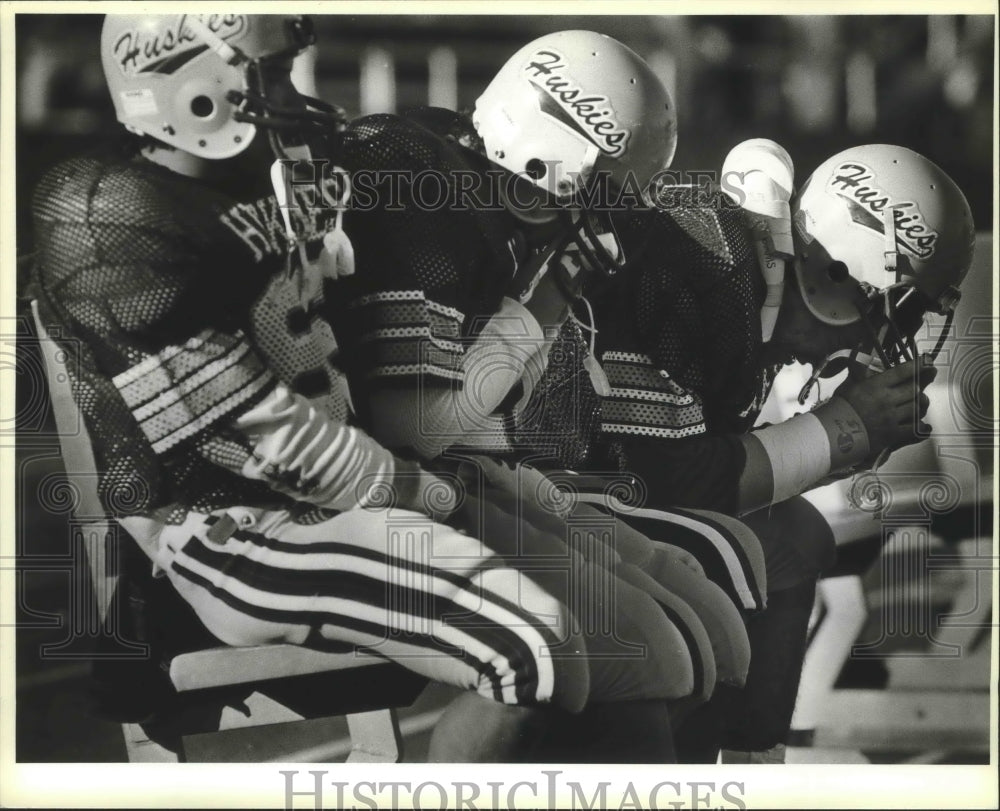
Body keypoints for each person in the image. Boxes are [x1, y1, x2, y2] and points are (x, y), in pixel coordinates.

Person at [29, 14, 704, 764]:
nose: (295, 97)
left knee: (649, 652)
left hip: (353, 495)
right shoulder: (107, 209)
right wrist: (429, 492)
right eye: (273, 75)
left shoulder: (267, 178)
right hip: (231, 523)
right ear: (190, 84)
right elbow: (258, 432)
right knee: (530, 650)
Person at [320, 30, 765, 760]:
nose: (610, 220)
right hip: (389, 491)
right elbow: (416, 427)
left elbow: (480, 421)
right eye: (605, 195)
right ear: (550, 159)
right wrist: (548, 302)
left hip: (466, 479)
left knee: (707, 638)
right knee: (646, 655)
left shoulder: (480, 197)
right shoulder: (424, 189)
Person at [519, 138, 976, 761]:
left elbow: (694, 467)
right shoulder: (709, 261)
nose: (901, 334)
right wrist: (839, 429)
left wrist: (843, 440)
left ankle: (748, 766)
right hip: (517, 472)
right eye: (906, 307)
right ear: (840, 275)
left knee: (794, 538)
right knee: (729, 565)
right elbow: (673, 483)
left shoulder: (755, 282)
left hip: (584, 481)